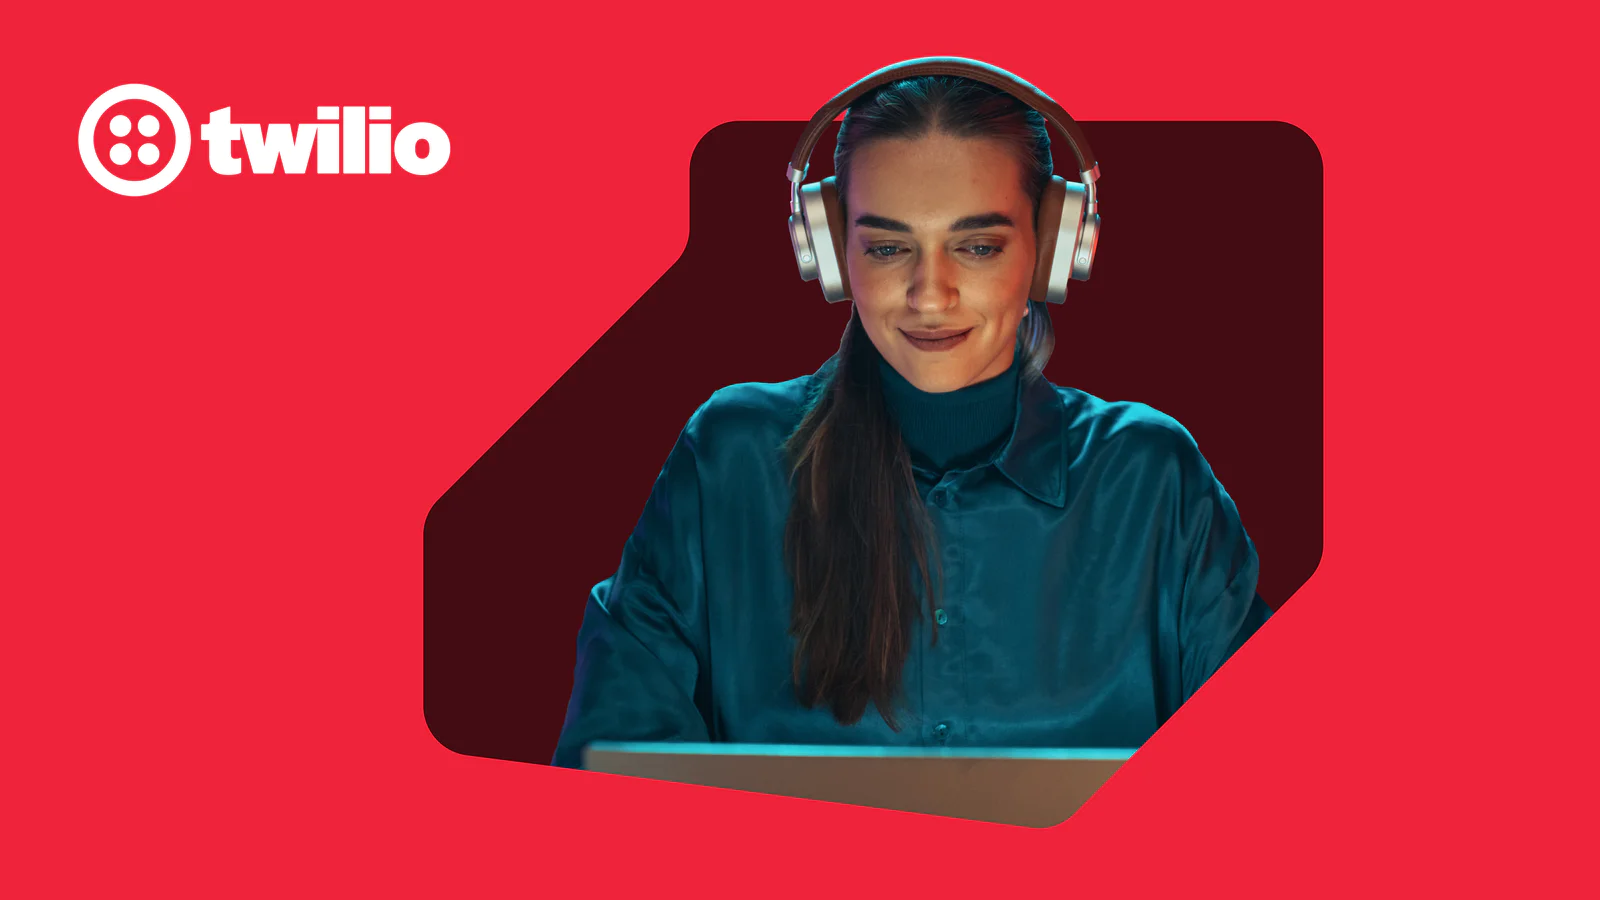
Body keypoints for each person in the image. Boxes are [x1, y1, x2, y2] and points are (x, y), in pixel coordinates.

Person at [551, 63, 1271, 769]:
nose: (931, 297)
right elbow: (609, 776)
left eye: (979, 246)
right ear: (833, 253)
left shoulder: (1150, 478)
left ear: (1051, 249)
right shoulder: (729, 461)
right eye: (889, 248)